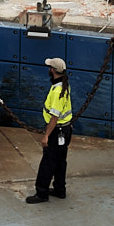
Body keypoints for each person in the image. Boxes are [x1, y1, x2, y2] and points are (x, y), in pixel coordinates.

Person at [26, 57, 73, 204]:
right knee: (60, 161)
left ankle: (41, 193)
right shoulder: (64, 85)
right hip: (65, 130)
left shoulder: (57, 90)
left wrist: (46, 136)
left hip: (57, 131)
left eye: (49, 67)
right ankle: (59, 189)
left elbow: (54, 117)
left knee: (48, 162)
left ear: (52, 70)